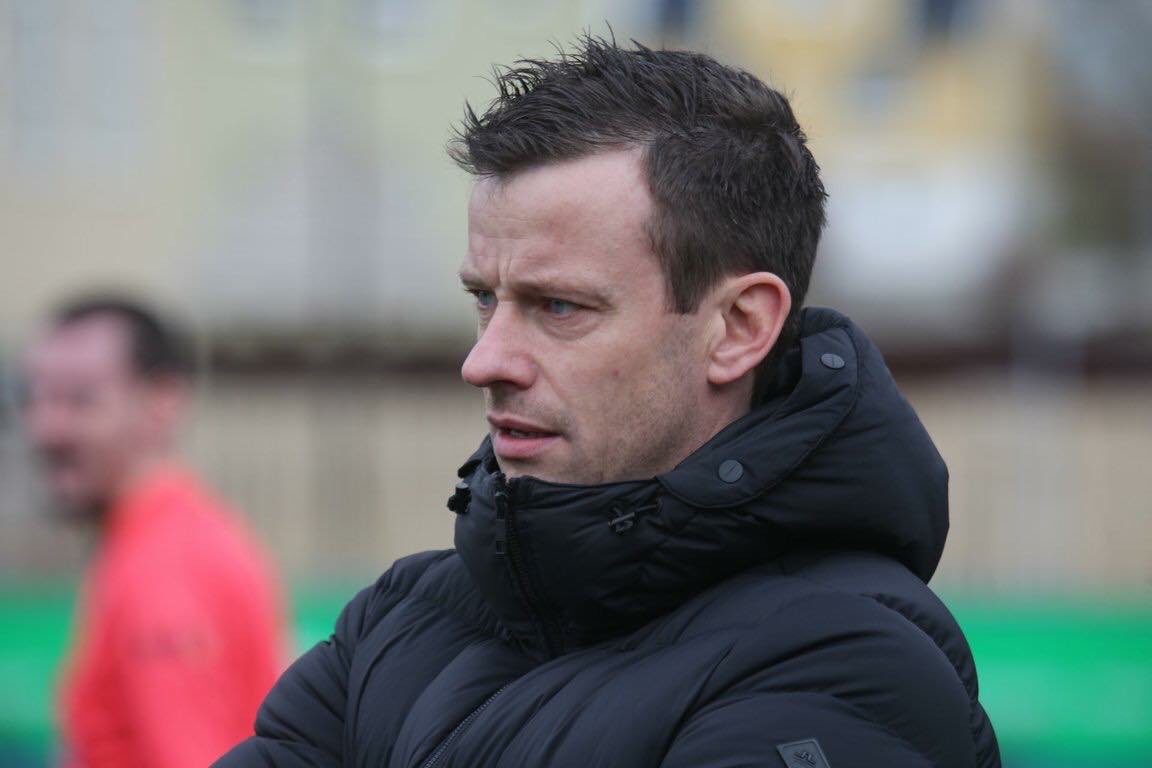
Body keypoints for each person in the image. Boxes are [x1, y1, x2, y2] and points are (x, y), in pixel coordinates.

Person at [218, 36, 1000, 767]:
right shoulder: (399, 621)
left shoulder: (847, 666)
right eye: (485, 298)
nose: (484, 360)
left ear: (738, 328)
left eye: (559, 306)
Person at [23, 296, 287, 767]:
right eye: (35, 398)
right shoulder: (151, 542)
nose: (46, 427)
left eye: (80, 399)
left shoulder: (167, 567)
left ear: (162, 402)